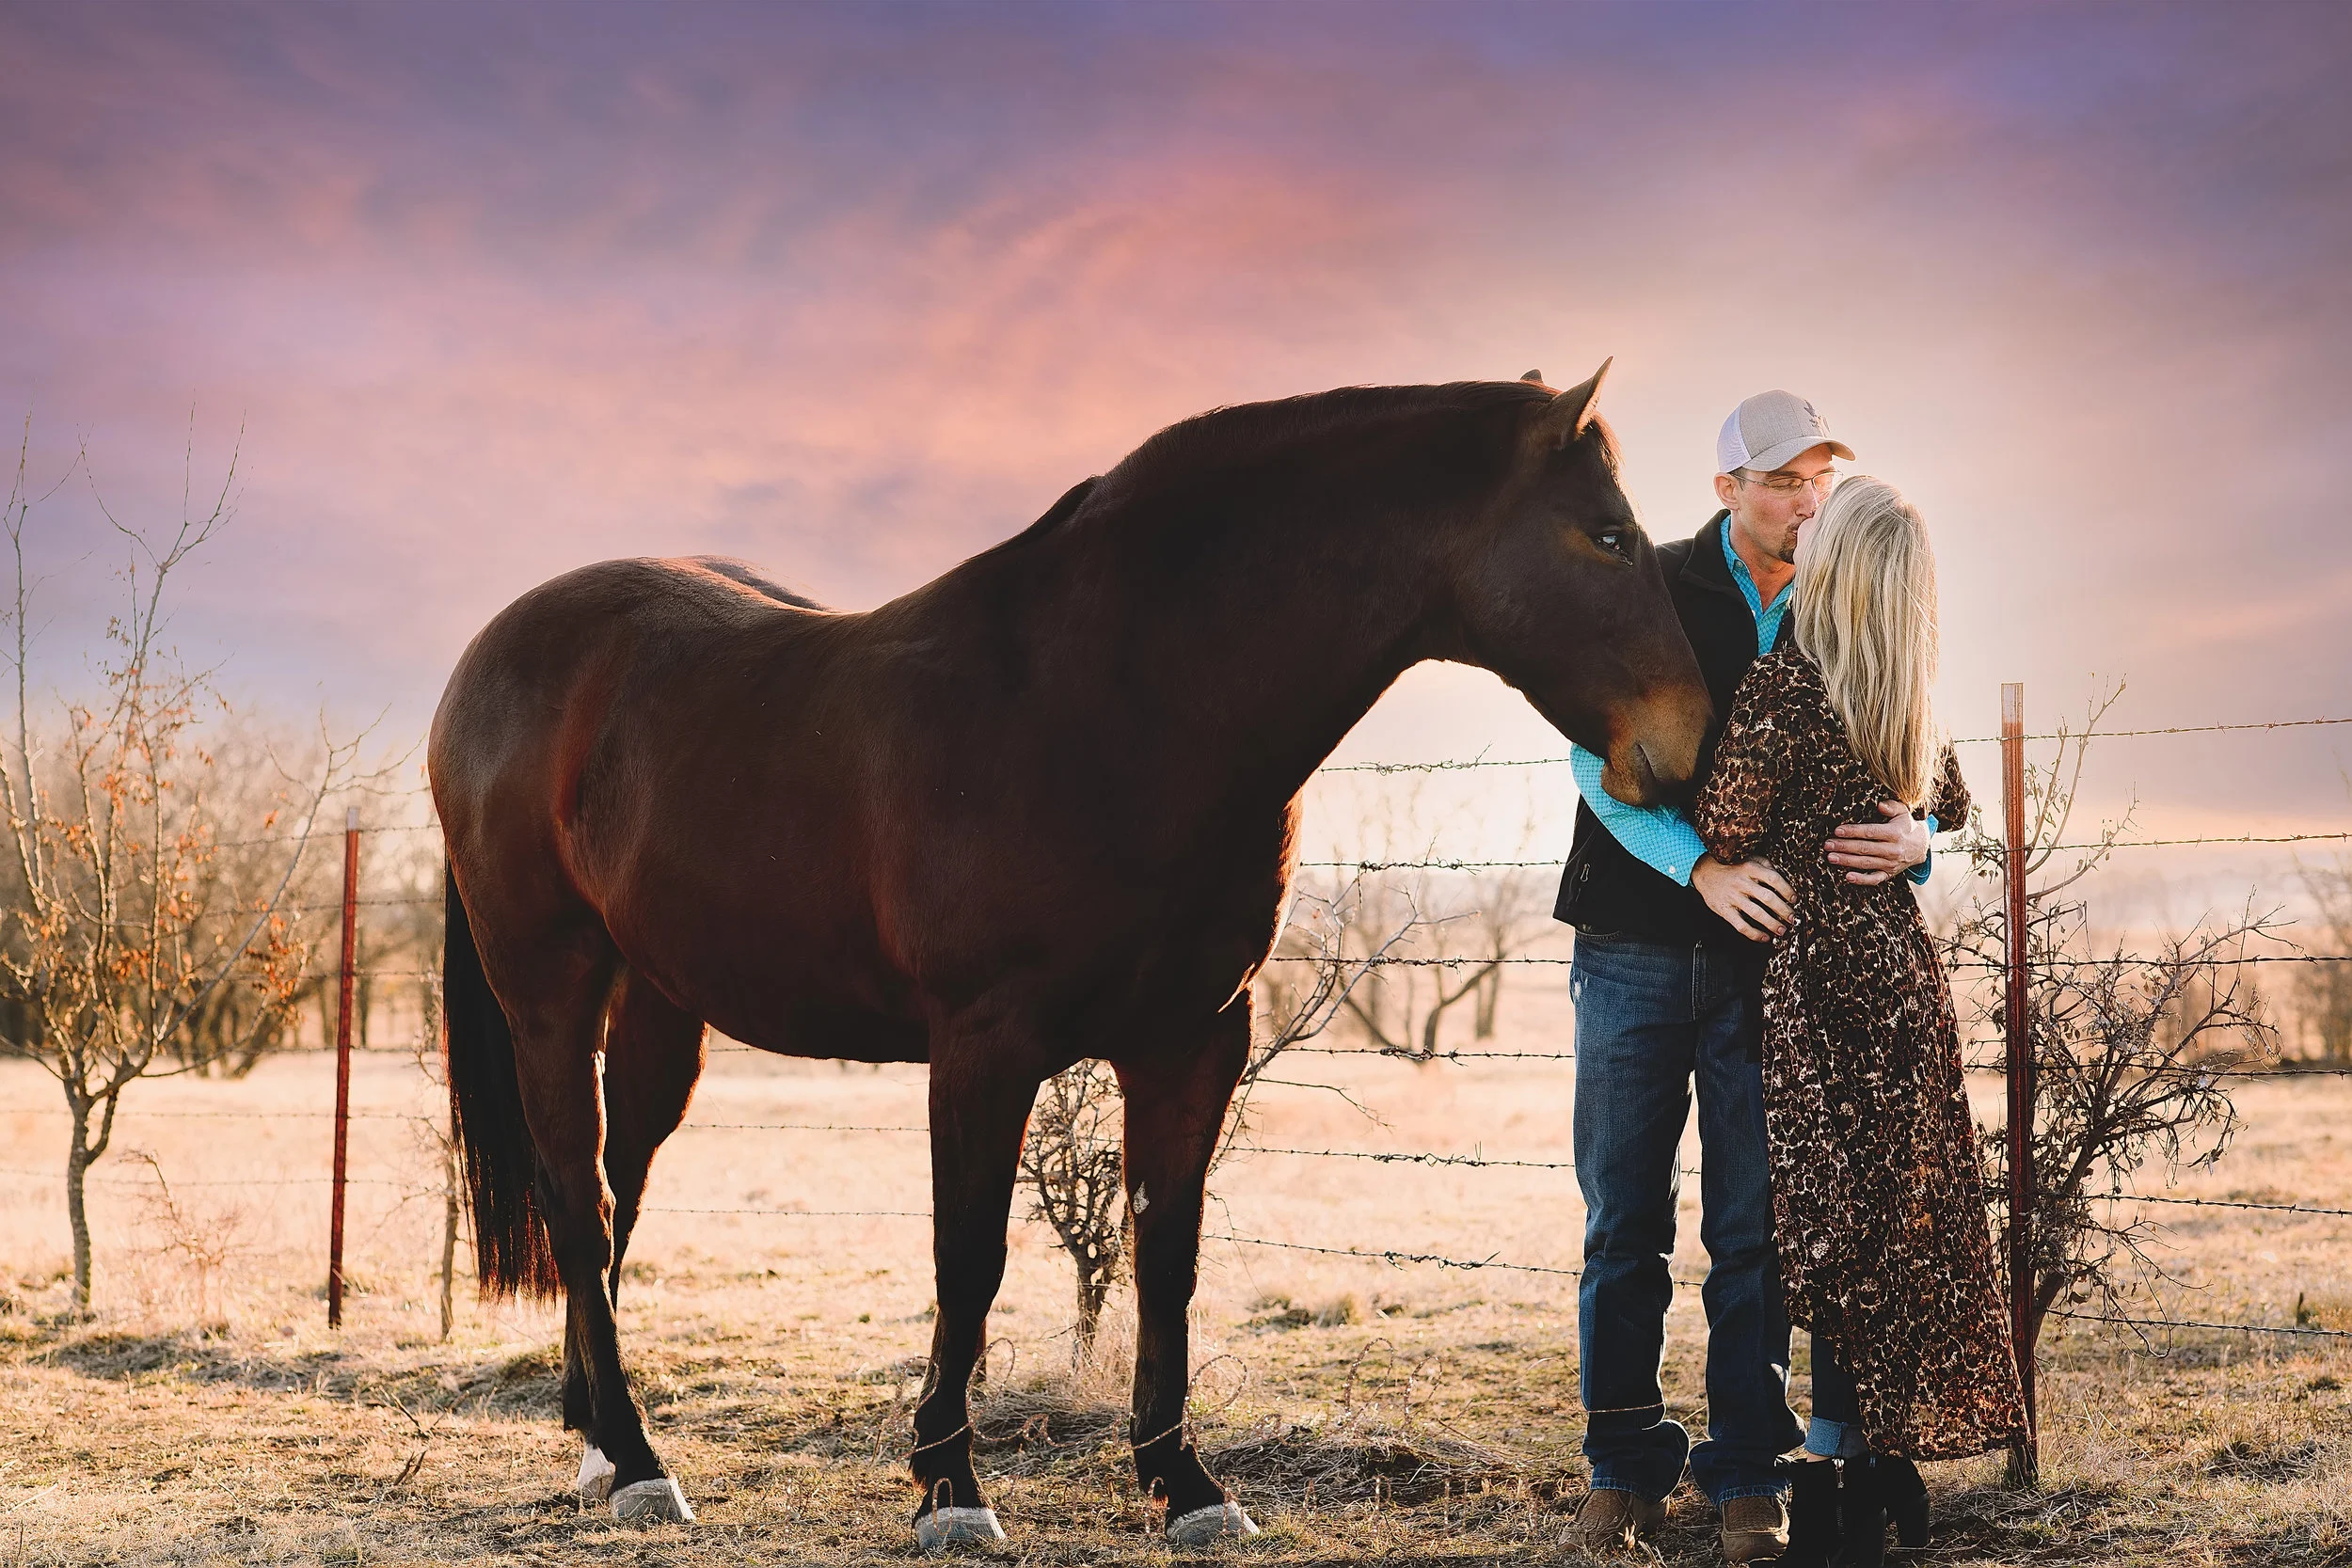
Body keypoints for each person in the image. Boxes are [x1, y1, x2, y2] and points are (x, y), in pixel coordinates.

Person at [1554, 391, 1934, 1562]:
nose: (1804, 496)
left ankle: (1745, 1473)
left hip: (1771, 965)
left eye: (1819, 474)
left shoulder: (1842, 595)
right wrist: (1700, 867)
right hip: (1632, 939)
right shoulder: (1654, 580)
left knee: (1753, 1223)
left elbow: (1911, 738)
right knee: (1625, 1216)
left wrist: (1922, 835)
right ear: (1726, 489)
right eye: (1779, 478)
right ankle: (1623, 1463)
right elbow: (1586, 746)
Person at [1690, 477, 2026, 1568]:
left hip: (1815, 989)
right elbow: (1957, 803)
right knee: (1884, 1225)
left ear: (1830, 571)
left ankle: (1828, 1486)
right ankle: (1863, 1460)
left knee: (1819, 1229)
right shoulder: (1904, 689)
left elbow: (1727, 817)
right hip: (1901, 981)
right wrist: (1916, 830)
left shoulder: (1787, 681)